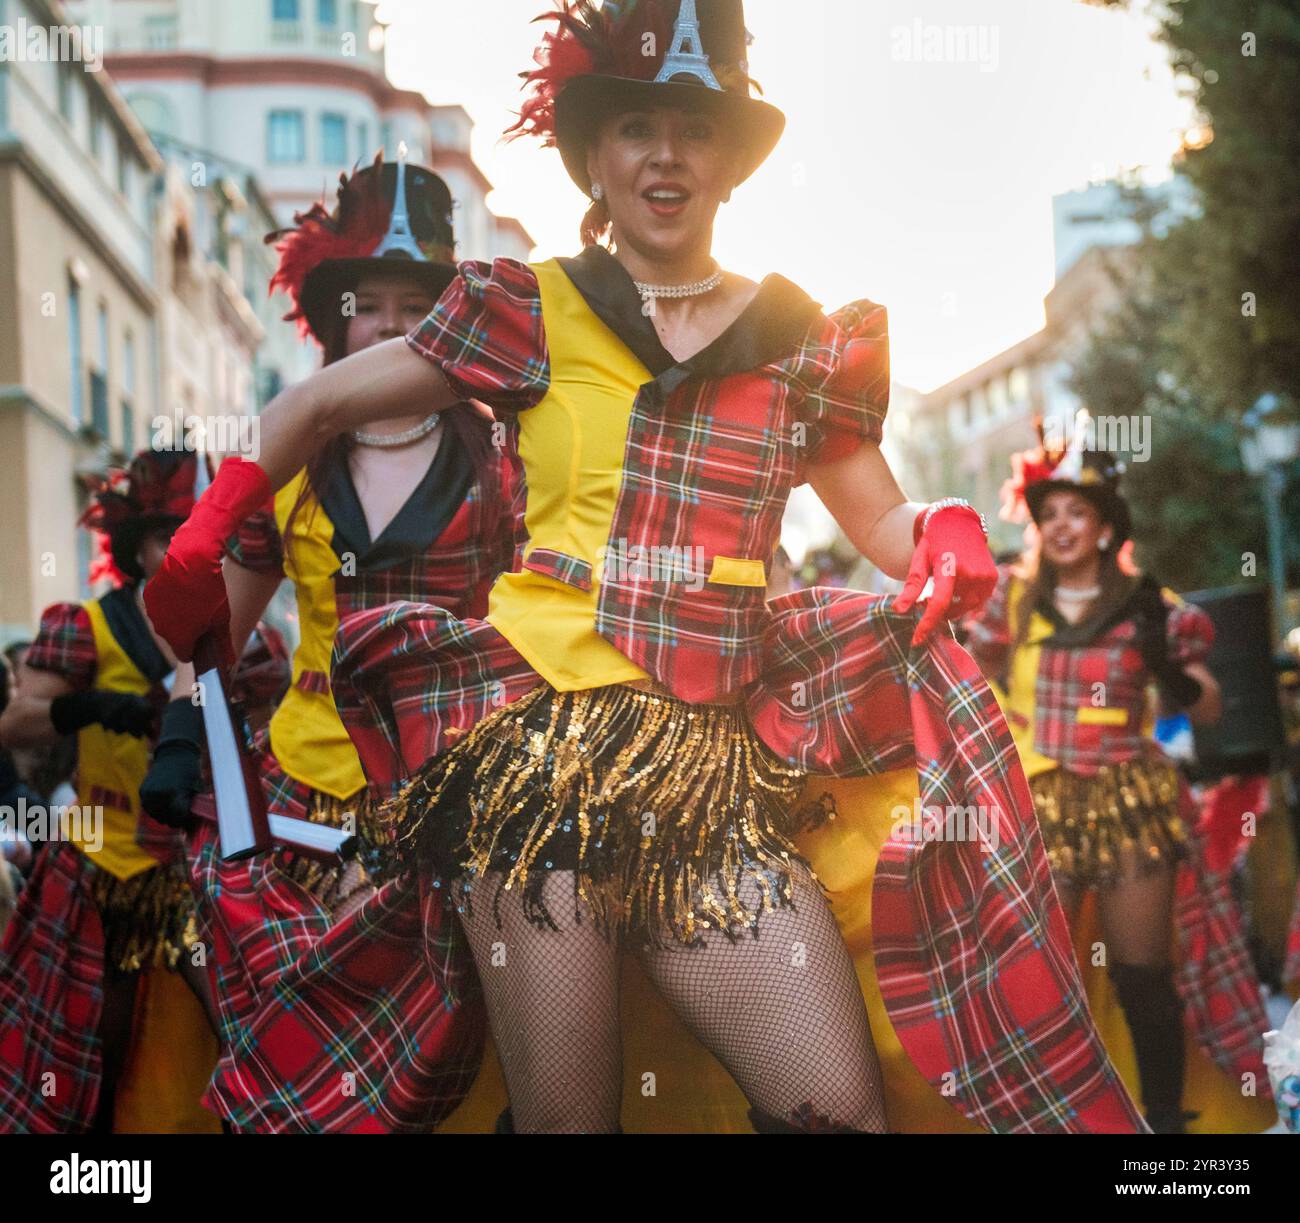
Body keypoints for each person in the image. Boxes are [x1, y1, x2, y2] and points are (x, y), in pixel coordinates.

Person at [145, 0, 1141, 1134]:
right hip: (526, 767)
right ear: (595, 158)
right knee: (572, 1123)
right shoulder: (531, 307)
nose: (665, 153)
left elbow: (887, 522)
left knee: (839, 1112)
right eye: (633, 128)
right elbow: (318, 400)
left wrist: (950, 523)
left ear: (728, 163)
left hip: (714, 783)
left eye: (694, 128)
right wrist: (210, 524)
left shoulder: (797, 337)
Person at [137, 155, 521, 1133]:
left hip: (456, 780)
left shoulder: (504, 462)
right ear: (332, 320)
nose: (391, 327)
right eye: (369, 303)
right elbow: (201, 634)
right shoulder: (289, 470)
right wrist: (181, 706)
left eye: (416, 304)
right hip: (300, 795)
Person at [964, 414, 1273, 1133]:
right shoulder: (1012, 600)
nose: (1062, 525)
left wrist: (1171, 670)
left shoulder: (1151, 607)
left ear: (1105, 524)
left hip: (1131, 798)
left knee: (1142, 975)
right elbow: (970, 686)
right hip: (1039, 801)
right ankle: (1044, 1116)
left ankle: (1162, 1128)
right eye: (1050, 513)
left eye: (1078, 511)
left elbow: (1208, 707)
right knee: (1039, 971)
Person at [0, 451, 219, 1133]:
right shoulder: (84, 625)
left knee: (240, 1018)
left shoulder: (228, 626)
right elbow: (14, 723)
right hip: (103, 865)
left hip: (196, 864)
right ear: (147, 545)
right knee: (96, 1040)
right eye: (182, 534)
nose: (206, 549)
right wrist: (90, 704)